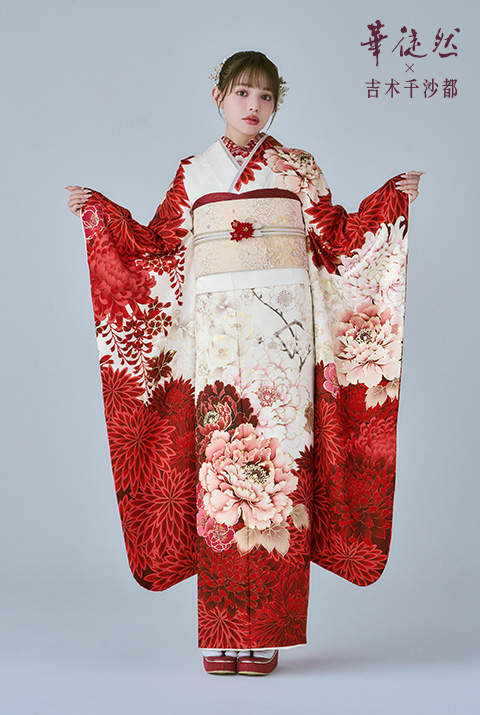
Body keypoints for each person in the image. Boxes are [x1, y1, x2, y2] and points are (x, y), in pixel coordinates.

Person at [66, 50, 422, 677]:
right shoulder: (193, 173)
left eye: (265, 96)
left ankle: (268, 635)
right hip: (217, 344)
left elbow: (338, 237)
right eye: (242, 93)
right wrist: (101, 214)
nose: (252, 106)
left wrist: (392, 199)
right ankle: (222, 634)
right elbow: (157, 247)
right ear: (218, 97)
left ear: (276, 104)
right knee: (221, 479)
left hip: (283, 344)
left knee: (278, 472)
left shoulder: (298, 167)